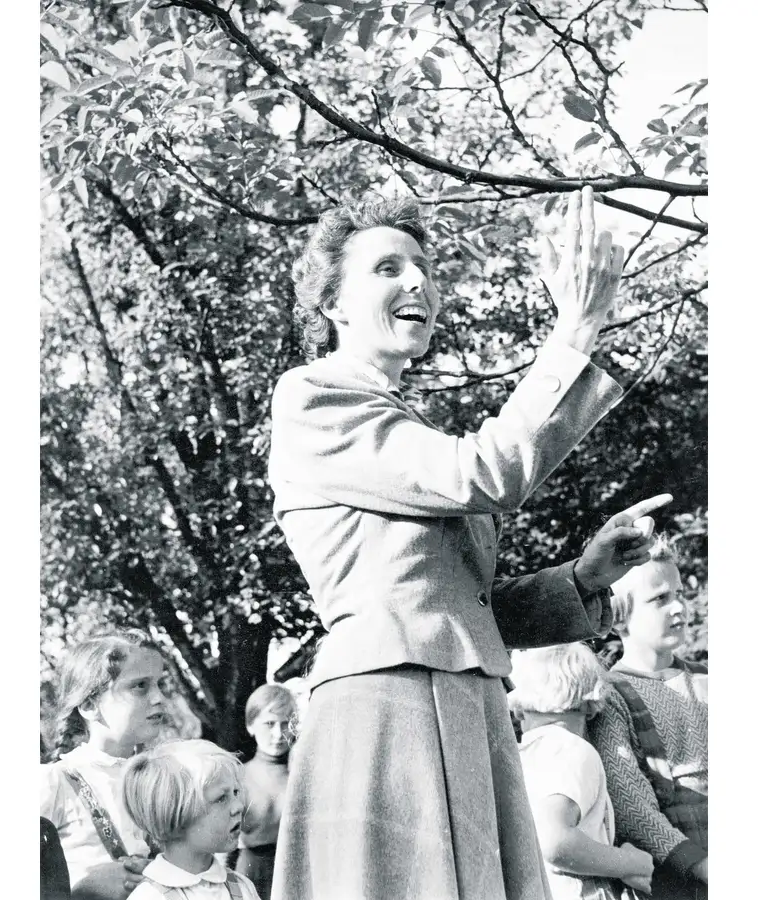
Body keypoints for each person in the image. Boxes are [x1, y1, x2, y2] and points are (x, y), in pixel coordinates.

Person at [266, 186, 671, 900]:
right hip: (387, 704)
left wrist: (581, 578)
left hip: (464, 705)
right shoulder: (314, 397)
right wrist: (574, 330)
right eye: (388, 268)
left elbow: (462, 605)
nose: (418, 279)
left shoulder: (401, 424)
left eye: (423, 265)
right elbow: (482, 472)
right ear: (333, 305)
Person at [586, 537, 709, 900]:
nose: (678, 608)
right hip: (674, 875)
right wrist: (705, 867)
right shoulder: (611, 695)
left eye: (680, 594)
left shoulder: (709, 679)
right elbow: (631, 806)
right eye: (660, 599)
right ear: (619, 616)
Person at [510, 643, 654, 900]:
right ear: (591, 704)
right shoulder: (572, 751)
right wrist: (631, 863)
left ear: (519, 707)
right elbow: (555, 841)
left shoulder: (518, 755)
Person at [41, 630, 170, 900]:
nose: (159, 698)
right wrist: (84, 889)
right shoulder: (55, 783)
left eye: (160, 684)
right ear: (89, 706)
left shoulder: (162, 776)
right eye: (140, 686)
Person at [120, 739, 263, 900]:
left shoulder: (242, 887)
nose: (238, 806)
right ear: (174, 814)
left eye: (236, 792)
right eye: (221, 798)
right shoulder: (150, 896)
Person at [234, 684, 296, 900]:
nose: (278, 734)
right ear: (250, 725)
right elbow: (219, 851)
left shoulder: (303, 775)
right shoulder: (237, 777)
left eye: (286, 724)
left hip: (299, 872)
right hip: (253, 877)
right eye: (269, 724)